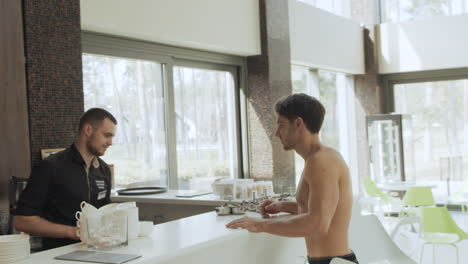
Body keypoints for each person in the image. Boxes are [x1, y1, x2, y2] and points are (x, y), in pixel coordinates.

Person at [227, 93, 358, 264]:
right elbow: (320, 210)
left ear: (298, 123)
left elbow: (317, 224)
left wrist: (259, 225)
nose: (276, 133)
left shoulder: (321, 162)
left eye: (281, 125)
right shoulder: (317, 159)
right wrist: (284, 206)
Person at [14, 108, 117, 250]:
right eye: (107, 135)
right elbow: (22, 221)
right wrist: (72, 232)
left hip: (97, 251)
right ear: (88, 130)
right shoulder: (50, 167)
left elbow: (105, 212)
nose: (110, 142)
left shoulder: (104, 170)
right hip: (58, 255)